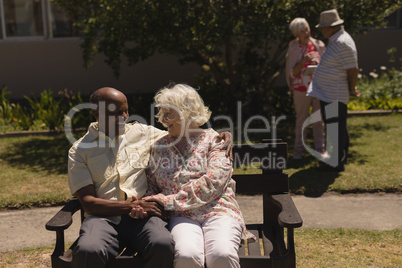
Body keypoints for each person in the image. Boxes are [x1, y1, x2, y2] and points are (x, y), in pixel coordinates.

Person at [68, 87, 233, 267]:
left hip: (143, 216)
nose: (124, 116)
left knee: (161, 243)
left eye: (125, 110)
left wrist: (220, 135)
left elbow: (185, 129)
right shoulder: (79, 150)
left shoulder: (142, 133)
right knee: (88, 250)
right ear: (96, 113)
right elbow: (88, 202)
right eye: (116, 112)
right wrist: (130, 206)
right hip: (103, 219)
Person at [143, 84, 254, 268]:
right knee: (187, 255)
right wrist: (147, 201)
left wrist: (168, 200)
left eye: (168, 113)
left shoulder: (215, 141)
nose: (162, 118)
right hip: (181, 216)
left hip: (219, 211)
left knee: (222, 254)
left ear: (187, 112)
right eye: (161, 113)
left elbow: (212, 183)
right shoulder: (159, 147)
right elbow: (153, 184)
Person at [307, 9, 360, 172]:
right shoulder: (336, 39)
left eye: (323, 27)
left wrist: (352, 88)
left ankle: (337, 162)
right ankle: (334, 159)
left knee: (336, 129)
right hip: (329, 93)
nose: (322, 30)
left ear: (330, 27)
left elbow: (353, 69)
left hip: (334, 94)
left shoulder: (342, 42)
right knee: (333, 128)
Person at [285, 17, 326, 159]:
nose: (306, 33)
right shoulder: (293, 47)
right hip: (300, 89)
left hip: (318, 88)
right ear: (296, 34)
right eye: (302, 31)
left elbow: (327, 67)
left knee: (318, 120)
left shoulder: (319, 45)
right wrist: (303, 62)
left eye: (307, 29)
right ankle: (298, 151)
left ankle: (320, 150)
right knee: (301, 121)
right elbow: (292, 73)